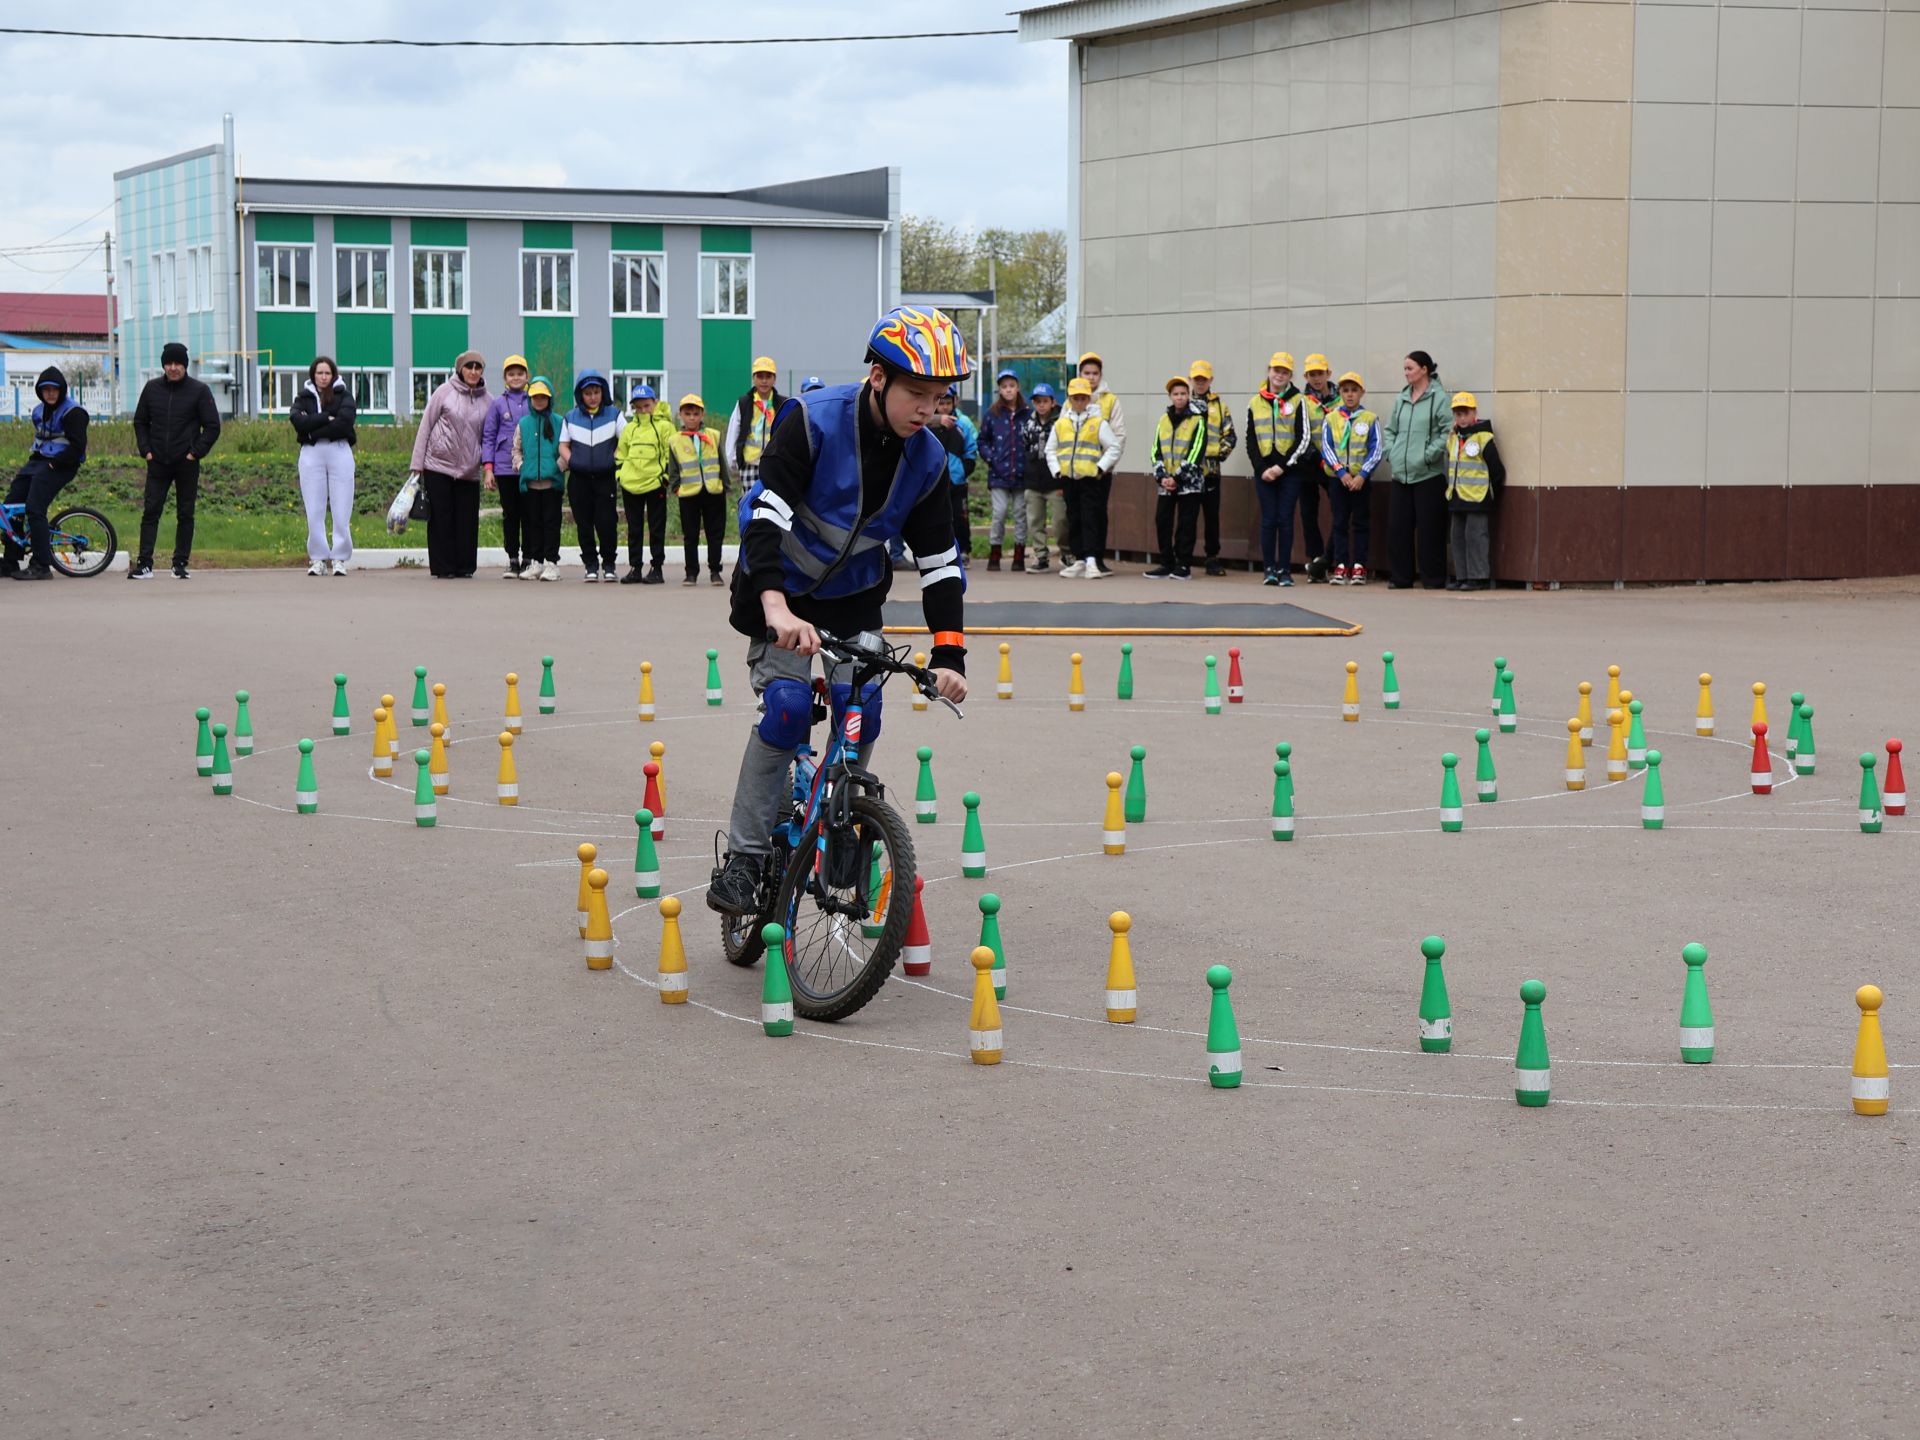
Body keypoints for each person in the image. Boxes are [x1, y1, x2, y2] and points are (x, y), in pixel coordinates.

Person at [704, 304, 971, 916]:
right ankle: (744, 860)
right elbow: (765, 513)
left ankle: (841, 814)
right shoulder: (811, 420)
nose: (928, 410)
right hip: (782, 593)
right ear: (878, 377)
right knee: (790, 707)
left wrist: (951, 652)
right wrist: (774, 606)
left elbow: (940, 563)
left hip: (852, 602)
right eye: (917, 394)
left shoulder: (927, 458)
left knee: (865, 713)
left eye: (939, 398)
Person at [130, 341, 221, 580]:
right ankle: (145, 564)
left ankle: (180, 563)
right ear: (163, 365)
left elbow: (212, 426)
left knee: (185, 513)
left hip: (186, 463)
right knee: (150, 511)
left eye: (177, 363)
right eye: (168, 363)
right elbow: (140, 422)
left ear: (185, 365)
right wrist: (146, 450)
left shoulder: (199, 390)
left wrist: (195, 453)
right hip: (157, 461)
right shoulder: (151, 389)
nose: (173, 368)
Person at [3, 367, 88, 582]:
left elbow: (78, 447)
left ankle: (42, 564)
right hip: (39, 462)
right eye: (45, 390)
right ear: (40, 392)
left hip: (62, 465)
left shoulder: (74, 412)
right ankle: (10, 561)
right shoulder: (38, 411)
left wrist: (56, 463)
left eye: (54, 390)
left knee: (35, 508)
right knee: (11, 506)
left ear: (62, 390)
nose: (50, 394)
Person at [410, 351, 490, 578]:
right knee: (441, 519)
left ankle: (465, 567)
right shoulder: (443, 392)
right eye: (469, 367)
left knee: (467, 520)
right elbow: (425, 426)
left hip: (469, 469)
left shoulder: (488, 400)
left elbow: (490, 436)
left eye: (478, 367)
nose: (473, 372)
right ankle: (444, 568)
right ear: (460, 370)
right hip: (438, 465)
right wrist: (417, 464)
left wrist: (488, 468)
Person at [1383, 349, 1452, 590]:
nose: (1406, 373)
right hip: (1401, 475)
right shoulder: (1401, 398)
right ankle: (1400, 578)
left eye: (1410, 368)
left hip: (1428, 475)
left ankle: (1433, 578)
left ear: (1424, 370)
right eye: (1404, 369)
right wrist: (1391, 452)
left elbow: (1447, 431)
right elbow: (1390, 430)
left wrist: (1426, 455)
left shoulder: (1440, 398)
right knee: (1398, 529)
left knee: (1430, 530)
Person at [1245, 351, 1314, 587]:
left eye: (1284, 372)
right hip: (1264, 470)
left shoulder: (1299, 400)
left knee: (1285, 518)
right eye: (1276, 370)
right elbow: (1251, 439)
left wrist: (1282, 467)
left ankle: (1284, 568)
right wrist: (1261, 467)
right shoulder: (1255, 402)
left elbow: (1304, 438)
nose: (1279, 375)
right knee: (1268, 519)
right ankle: (1268, 569)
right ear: (1269, 371)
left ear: (1290, 375)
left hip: (1289, 471)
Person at [287, 355, 357, 576]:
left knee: (341, 507)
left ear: (333, 374)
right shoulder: (303, 397)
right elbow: (297, 421)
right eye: (320, 373)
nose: (323, 377)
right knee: (314, 508)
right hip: (311, 454)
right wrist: (326, 417)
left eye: (327, 373)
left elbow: (345, 422)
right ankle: (317, 558)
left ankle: (339, 558)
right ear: (313, 375)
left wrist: (312, 427)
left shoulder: (344, 395)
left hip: (339, 450)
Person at [1045, 377, 1119, 579]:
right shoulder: (1061, 424)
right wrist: (1057, 471)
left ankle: (1092, 559)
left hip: (1089, 479)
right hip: (1069, 478)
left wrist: (1100, 468)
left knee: (1090, 518)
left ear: (1088, 399)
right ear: (1069, 399)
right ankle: (1079, 559)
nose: (1079, 401)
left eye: (1082, 398)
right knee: (1073, 518)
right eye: (1075, 398)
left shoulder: (1098, 422)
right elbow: (1050, 449)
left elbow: (1114, 447)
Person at [559, 369, 622, 582]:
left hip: (605, 479)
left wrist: (613, 459)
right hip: (579, 480)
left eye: (596, 392)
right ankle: (591, 565)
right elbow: (563, 446)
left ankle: (609, 564)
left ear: (603, 392)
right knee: (584, 524)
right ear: (580, 395)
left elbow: (626, 441)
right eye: (588, 393)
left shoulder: (614, 414)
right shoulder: (571, 417)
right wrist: (573, 461)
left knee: (607, 523)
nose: (593, 396)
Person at [1320, 372, 1382, 585]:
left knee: (1361, 522)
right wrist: (1340, 471)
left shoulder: (1370, 419)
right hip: (1339, 479)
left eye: (1354, 390)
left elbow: (1376, 450)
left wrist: (1363, 474)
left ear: (1362, 393)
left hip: (1360, 481)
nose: (1350, 395)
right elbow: (1326, 447)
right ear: (1339, 393)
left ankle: (1359, 565)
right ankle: (1340, 564)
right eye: (1345, 390)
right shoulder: (1331, 418)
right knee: (1339, 522)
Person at [1145, 376, 1208, 581]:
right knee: (1162, 520)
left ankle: (1183, 565)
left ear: (1188, 395)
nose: (1179, 397)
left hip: (1189, 483)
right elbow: (1156, 449)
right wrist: (1162, 476)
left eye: (1183, 394)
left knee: (1186, 523)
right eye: (1175, 394)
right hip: (1166, 482)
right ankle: (1166, 562)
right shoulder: (1164, 419)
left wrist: (1178, 477)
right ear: (1170, 396)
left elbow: (1196, 451)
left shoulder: (1198, 419)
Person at [1069, 350, 1124, 577]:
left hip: (1099, 471)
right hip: (1075, 472)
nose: (1091, 377)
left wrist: (1104, 466)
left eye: (1095, 373)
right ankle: (1079, 557)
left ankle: (1097, 558)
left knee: (1097, 513)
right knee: (1075, 514)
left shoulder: (1110, 400)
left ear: (1101, 375)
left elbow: (1118, 435)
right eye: (1086, 372)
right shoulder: (1070, 400)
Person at [1444, 392, 1504, 591]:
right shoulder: (1453, 438)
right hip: (1457, 496)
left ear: (1474, 413)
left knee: (1476, 536)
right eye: (1458, 414)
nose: (1461, 419)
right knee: (1458, 537)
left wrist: (1491, 494)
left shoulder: (1483, 438)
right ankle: (1462, 575)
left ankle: (1478, 577)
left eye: (1465, 414)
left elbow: (1496, 470)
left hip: (1478, 497)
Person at [615, 383, 674, 584]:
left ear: (655, 404)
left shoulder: (665, 426)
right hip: (631, 484)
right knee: (634, 528)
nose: (642, 410)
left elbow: (670, 454)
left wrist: (665, 479)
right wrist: (620, 475)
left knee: (657, 527)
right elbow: (621, 453)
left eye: (646, 405)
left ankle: (656, 568)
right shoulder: (629, 428)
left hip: (655, 484)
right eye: (638, 407)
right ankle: (635, 568)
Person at [668, 394, 729, 586]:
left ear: (702, 414)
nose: (692, 418)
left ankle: (715, 571)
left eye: (696, 413)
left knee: (715, 533)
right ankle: (691, 572)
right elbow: (673, 467)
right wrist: (676, 487)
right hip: (688, 493)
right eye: (688, 414)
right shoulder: (675, 440)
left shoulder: (714, 435)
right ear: (681, 416)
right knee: (690, 534)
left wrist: (725, 486)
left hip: (713, 492)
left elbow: (722, 461)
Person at [482, 354, 533, 576]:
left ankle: (529, 559)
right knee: (510, 514)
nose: (515, 377)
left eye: (520, 373)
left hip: (529, 468)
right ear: (505, 377)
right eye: (511, 374)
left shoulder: (535, 400)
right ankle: (513, 559)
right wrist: (488, 469)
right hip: (504, 468)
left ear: (526, 376)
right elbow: (488, 436)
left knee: (529, 514)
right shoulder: (497, 404)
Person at [510, 377, 566, 581]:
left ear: (549, 398)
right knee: (532, 523)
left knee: (551, 523)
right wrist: (522, 467)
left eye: (543, 397)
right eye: (535, 397)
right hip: (530, 484)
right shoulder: (523, 423)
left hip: (552, 484)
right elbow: (515, 449)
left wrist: (557, 467)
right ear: (530, 399)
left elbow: (567, 447)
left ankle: (552, 563)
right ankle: (536, 562)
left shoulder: (560, 422)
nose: (539, 400)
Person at [976, 367, 1029, 570]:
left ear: (1018, 388)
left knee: (1020, 513)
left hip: (1021, 473)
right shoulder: (992, 414)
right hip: (998, 473)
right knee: (999, 512)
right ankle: (995, 553)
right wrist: (992, 458)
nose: (1008, 390)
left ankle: (1019, 555)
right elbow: (982, 440)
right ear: (999, 389)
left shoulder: (1027, 414)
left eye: (1011, 386)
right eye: (1004, 386)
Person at [1187, 360, 1237, 575]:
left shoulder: (1219, 406)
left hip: (1211, 471)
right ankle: (1184, 557)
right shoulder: (1184, 403)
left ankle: (1212, 558)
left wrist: (1217, 456)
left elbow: (1230, 436)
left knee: (1211, 516)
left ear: (1210, 380)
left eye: (1204, 379)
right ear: (1190, 380)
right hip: (1188, 471)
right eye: (1196, 379)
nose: (1200, 383)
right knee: (1187, 516)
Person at [1296, 355, 1337, 582]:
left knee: (1340, 511)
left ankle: (1329, 559)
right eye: (1312, 375)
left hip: (1335, 465)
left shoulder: (1341, 399)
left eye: (1320, 374)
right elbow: (1299, 431)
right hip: (1309, 463)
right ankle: (1315, 557)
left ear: (1328, 374)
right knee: (1308, 513)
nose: (1317, 378)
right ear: (1306, 376)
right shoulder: (1301, 400)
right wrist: (1315, 455)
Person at [1021, 381, 1066, 572]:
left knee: (1060, 521)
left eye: (1045, 401)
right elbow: (1024, 445)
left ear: (1053, 402)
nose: (1041, 405)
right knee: (1035, 522)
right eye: (1037, 401)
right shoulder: (1028, 423)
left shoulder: (1061, 423)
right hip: (1033, 481)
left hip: (1055, 481)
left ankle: (1067, 553)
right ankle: (1040, 556)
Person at [930, 387, 977, 563]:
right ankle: (938, 552)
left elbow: (971, 449)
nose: (944, 407)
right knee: (935, 519)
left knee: (960, 518)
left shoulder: (962, 425)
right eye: (941, 403)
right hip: (934, 483)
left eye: (948, 403)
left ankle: (964, 550)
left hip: (957, 482)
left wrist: (964, 470)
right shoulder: (928, 424)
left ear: (955, 402)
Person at [725, 356, 785, 495]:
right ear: (753, 379)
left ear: (774, 379)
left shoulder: (782, 403)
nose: (764, 381)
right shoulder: (744, 403)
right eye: (760, 376)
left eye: (768, 376)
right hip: (750, 464)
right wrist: (731, 460)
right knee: (750, 503)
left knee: (773, 504)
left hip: (774, 464)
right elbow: (734, 430)